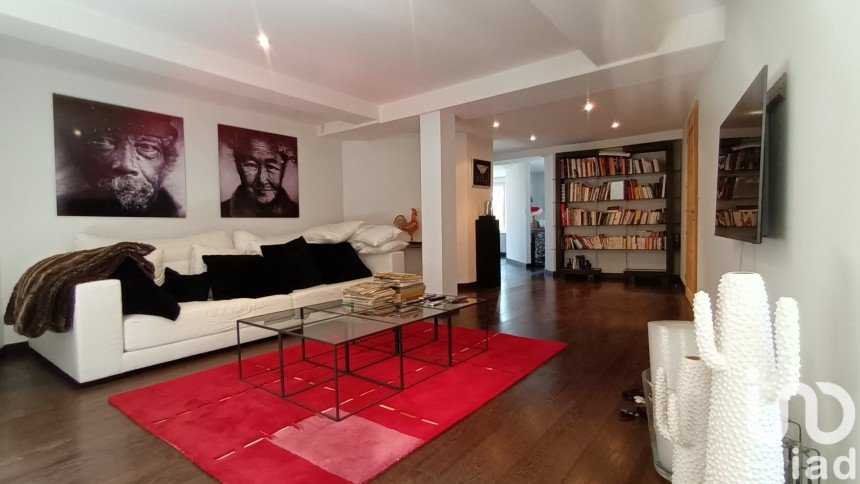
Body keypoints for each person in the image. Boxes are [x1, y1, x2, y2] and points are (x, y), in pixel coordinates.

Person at [55, 96, 184, 217]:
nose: (126, 165)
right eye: (104, 143)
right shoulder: (65, 207)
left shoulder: (177, 214)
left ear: (166, 163)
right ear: (81, 157)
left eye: (146, 147)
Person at [221, 130, 298, 217]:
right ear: (238, 167)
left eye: (271, 167)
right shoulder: (223, 212)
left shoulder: (296, 213)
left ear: (283, 170)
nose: (262, 180)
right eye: (251, 165)